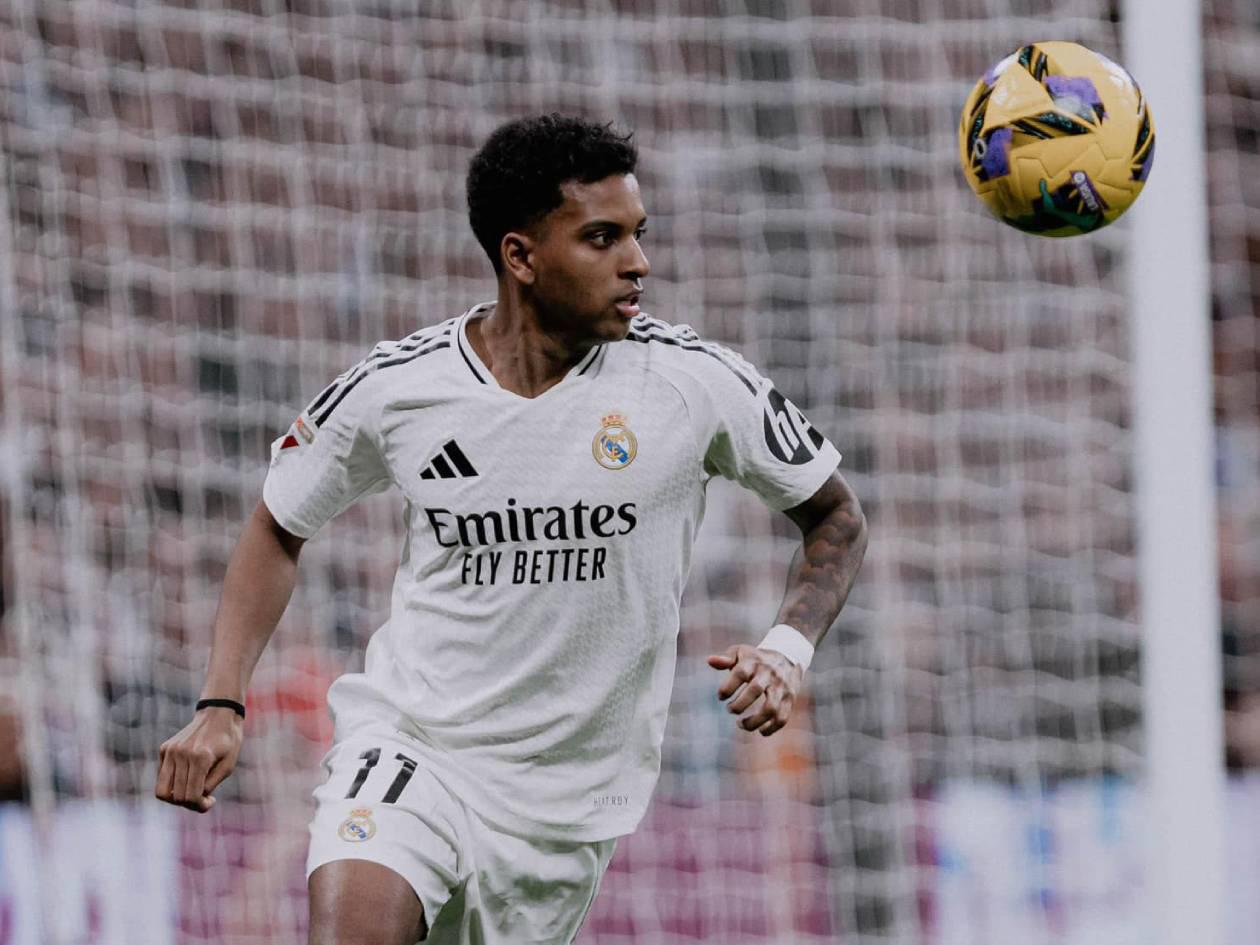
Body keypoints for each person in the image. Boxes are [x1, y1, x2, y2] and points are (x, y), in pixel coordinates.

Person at [155, 114, 868, 945]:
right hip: (415, 745)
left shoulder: (692, 383)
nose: (637, 262)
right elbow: (278, 524)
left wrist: (787, 649)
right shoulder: (400, 387)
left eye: (638, 234)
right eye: (601, 238)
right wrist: (221, 701)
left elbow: (836, 515)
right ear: (520, 256)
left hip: (564, 811)